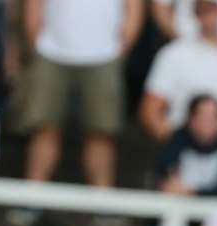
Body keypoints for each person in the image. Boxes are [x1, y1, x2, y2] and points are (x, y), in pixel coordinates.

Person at [20, 0, 143, 193]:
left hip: (104, 53)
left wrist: (121, 46)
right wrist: (36, 39)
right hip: (51, 50)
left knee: (102, 133)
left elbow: (134, 6)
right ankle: (31, 196)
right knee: (44, 129)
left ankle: (102, 202)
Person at [140, 0, 217, 147]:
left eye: (212, 9)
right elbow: (150, 110)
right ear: (195, 14)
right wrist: (178, 147)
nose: (209, 17)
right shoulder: (173, 54)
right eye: (203, 10)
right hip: (186, 155)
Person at [152, 93, 217, 199]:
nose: (207, 123)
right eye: (203, 116)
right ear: (191, 118)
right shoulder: (176, 141)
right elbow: (165, 180)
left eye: (212, 117)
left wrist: (194, 192)